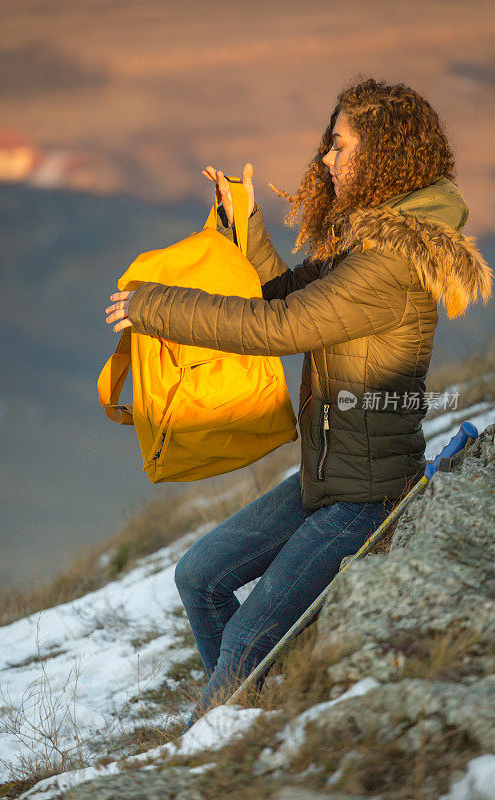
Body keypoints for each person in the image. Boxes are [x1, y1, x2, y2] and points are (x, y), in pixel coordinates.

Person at [104, 77, 492, 732]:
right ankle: (250, 710)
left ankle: (215, 737)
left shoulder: (390, 262)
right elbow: (279, 296)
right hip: (326, 479)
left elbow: (279, 329)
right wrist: (244, 220)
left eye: (339, 146)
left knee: (246, 643)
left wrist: (154, 306)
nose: (324, 160)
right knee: (199, 576)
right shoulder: (368, 243)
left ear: (385, 156)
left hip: (365, 497)